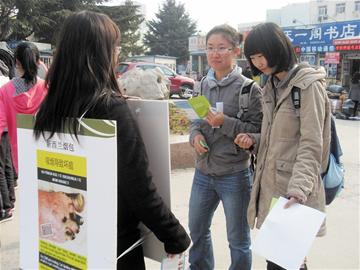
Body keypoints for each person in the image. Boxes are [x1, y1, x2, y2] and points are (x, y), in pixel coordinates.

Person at [33, 10, 190, 269]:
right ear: (100, 52)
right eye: (115, 46)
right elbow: (139, 189)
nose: (117, 53)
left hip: (65, 242)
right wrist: (175, 237)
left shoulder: (49, 107)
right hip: (113, 247)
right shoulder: (109, 108)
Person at [234, 22, 330, 270]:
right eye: (253, 57)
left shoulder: (307, 86)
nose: (258, 62)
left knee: (282, 263)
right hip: (272, 189)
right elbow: (276, 137)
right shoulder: (271, 86)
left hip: (294, 192)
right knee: (284, 261)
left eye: (261, 54)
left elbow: (312, 144)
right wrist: (254, 141)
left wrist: (298, 190)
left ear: (278, 48)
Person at [188, 24, 262, 270]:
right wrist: (195, 137)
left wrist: (226, 123)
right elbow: (196, 122)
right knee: (197, 232)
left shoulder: (249, 89)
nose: (214, 54)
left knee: (238, 240)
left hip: (235, 175)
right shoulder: (201, 86)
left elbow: (259, 132)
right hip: (203, 173)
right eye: (210, 48)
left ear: (235, 50)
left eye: (221, 48)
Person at [0, 42, 47, 177]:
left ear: (17, 63)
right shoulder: (47, 88)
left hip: (20, 154)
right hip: (47, 152)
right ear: (38, 62)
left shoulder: (5, 91)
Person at [0, 42, 16, 223]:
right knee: (7, 166)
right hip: (7, 128)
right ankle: (10, 201)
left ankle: (4, 208)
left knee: (0, 169)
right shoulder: (8, 81)